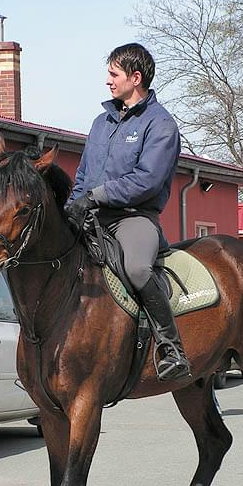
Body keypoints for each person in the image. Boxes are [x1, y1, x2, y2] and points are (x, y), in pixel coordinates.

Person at [65, 43, 190, 382]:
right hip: (92, 214)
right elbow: (83, 176)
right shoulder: (100, 122)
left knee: (136, 268)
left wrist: (98, 195)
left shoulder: (160, 124)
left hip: (133, 217)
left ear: (135, 78)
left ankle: (171, 346)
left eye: (113, 74)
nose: (107, 81)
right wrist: (71, 208)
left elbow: (148, 181)